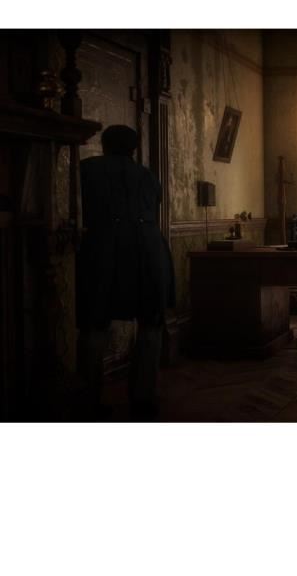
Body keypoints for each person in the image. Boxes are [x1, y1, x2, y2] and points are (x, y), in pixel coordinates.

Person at [77, 125, 175, 420]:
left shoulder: (86, 169)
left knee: (94, 323)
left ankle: (87, 401)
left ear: (104, 144)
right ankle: (143, 399)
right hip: (149, 249)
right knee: (150, 323)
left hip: (104, 249)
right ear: (134, 148)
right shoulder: (148, 176)